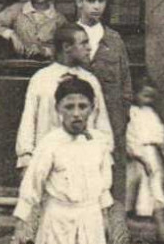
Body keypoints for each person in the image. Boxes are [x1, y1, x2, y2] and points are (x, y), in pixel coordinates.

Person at [9, 75, 112, 244]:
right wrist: (22, 226)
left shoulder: (99, 143)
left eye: (82, 106)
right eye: (69, 107)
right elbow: (31, 186)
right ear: (58, 110)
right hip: (59, 224)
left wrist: (106, 222)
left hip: (89, 222)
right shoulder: (50, 143)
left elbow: (104, 186)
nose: (77, 113)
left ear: (92, 108)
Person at [15, 23, 113, 172]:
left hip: (83, 162)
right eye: (83, 43)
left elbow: (101, 121)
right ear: (67, 47)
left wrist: (105, 156)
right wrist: (26, 158)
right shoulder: (42, 78)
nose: (89, 48)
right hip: (49, 162)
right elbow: (29, 119)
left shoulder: (90, 80)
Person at [76, 0, 132, 203]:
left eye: (101, 1)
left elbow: (125, 81)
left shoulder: (114, 39)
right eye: (90, 1)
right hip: (77, 116)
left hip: (111, 118)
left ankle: (114, 225)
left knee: (112, 170)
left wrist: (123, 114)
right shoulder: (68, 36)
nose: (96, 6)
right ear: (78, 2)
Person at [125, 80, 164, 244]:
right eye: (145, 95)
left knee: (155, 193)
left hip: (152, 155)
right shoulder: (131, 113)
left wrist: (161, 152)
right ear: (135, 94)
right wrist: (138, 156)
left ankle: (162, 233)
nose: (148, 100)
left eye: (151, 97)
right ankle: (124, 233)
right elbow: (129, 136)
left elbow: (159, 133)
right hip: (136, 157)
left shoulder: (150, 113)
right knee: (129, 195)